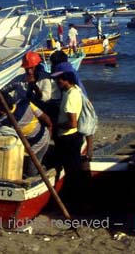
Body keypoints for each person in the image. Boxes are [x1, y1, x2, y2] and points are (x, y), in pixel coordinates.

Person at [51, 71, 84, 200]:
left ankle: (74, 199)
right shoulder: (75, 90)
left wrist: (57, 125)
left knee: (72, 171)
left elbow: (72, 123)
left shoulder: (70, 96)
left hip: (68, 138)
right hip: (73, 137)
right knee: (73, 169)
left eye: (59, 80)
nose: (57, 82)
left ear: (66, 80)